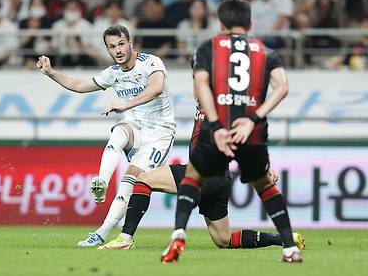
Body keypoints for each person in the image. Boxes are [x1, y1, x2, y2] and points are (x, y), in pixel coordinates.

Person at [160, 0, 302, 264]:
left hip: (218, 126)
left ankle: (178, 233)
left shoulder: (209, 48)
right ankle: (289, 247)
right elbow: (282, 87)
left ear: (221, 22)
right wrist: (254, 118)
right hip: (250, 128)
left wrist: (215, 126)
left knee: (192, 178)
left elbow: (201, 87)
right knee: (265, 186)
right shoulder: (264, 51)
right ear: (250, 22)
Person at [102, 84, 304, 251]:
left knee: (144, 179)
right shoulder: (206, 100)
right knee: (223, 240)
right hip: (220, 181)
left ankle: (125, 237)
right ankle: (282, 239)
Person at [37, 25, 176, 247]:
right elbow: (80, 85)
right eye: (112, 47)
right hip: (135, 128)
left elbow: (156, 88)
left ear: (130, 42)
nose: (118, 50)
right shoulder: (113, 73)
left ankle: (102, 233)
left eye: (121, 44)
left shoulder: (151, 62)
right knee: (119, 131)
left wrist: (125, 104)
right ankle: (101, 180)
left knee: (130, 181)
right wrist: (52, 73)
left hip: (159, 133)